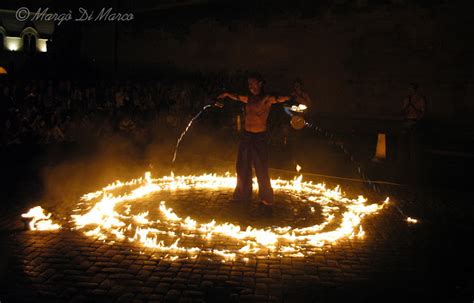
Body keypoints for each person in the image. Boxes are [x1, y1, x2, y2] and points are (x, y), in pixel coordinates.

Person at [217, 73, 294, 206]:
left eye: (253, 84)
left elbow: (279, 98)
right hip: (247, 135)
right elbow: (237, 96)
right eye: (249, 84)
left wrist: (291, 97)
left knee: (261, 167)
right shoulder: (249, 98)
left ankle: (266, 197)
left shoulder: (266, 98)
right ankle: (242, 194)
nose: (250, 87)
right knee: (242, 166)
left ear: (260, 84)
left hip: (259, 137)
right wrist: (226, 94)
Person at [400, 83, 426, 182]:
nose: (410, 91)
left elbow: (423, 112)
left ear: (416, 90)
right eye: (409, 89)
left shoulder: (420, 99)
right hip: (407, 122)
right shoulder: (407, 99)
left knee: (414, 145)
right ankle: (405, 166)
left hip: (415, 123)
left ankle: (415, 167)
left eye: (411, 89)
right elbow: (403, 111)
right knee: (405, 145)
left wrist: (417, 121)